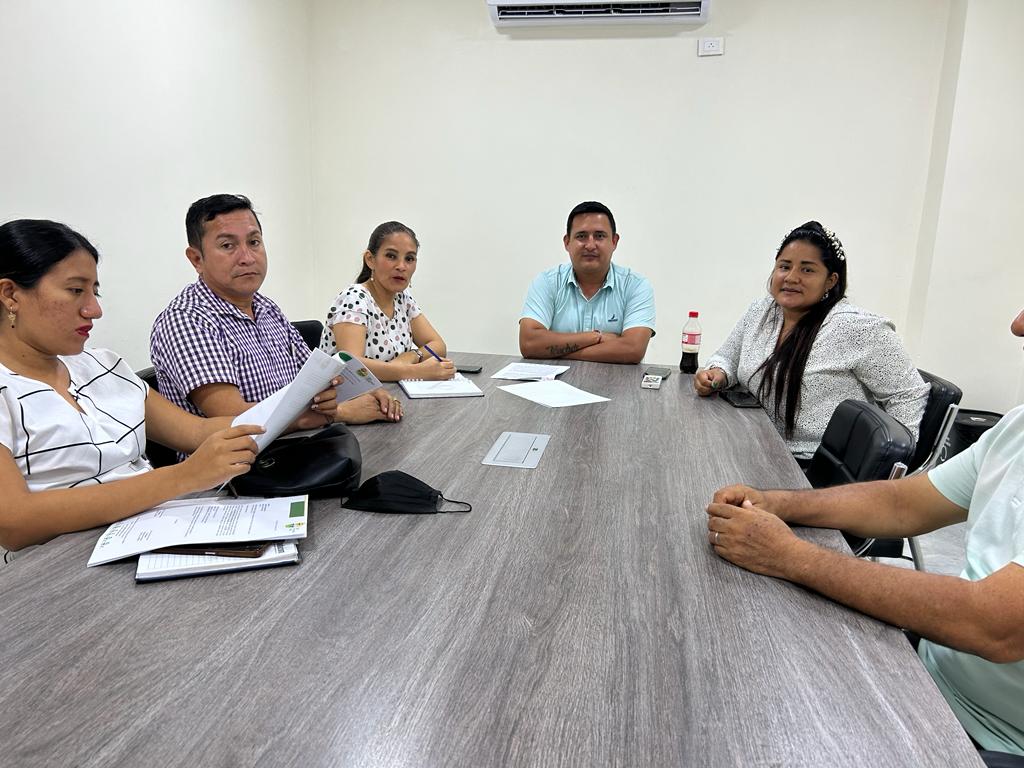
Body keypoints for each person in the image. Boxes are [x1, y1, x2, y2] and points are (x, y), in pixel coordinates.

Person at [706, 304, 1024, 761]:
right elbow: (903, 504)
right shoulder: (1017, 427)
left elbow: (992, 624)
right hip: (934, 676)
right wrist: (777, 502)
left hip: (996, 744)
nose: (1017, 325)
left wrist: (789, 555)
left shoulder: (860, 330)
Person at [0, 219, 268, 552]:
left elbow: (196, 432)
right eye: (75, 290)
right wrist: (183, 476)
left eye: (95, 292)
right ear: (10, 294)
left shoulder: (104, 365)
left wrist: (296, 413)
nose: (94, 310)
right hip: (63, 562)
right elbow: (14, 521)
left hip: (153, 530)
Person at [150, 194, 401, 427]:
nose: (247, 257)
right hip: (247, 459)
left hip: (301, 445)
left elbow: (316, 379)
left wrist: (360, 391)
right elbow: (235, 419)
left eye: (254, 242)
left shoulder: (266, 308)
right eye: (227, 246)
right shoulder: (186, 320)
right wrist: (339, 413)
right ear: (196, 259)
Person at [695, 221, 928, 461]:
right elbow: (728, 357)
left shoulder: (859, 328)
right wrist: (717, 373)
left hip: (815, 465)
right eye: (785, 266)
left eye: (807, 270)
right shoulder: (761, 311)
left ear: (831, 280)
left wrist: (889, 469)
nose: (791, 277)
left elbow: (907, 396)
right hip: (755, 443)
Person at [519, 201, 655, 364]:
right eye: (581, 236)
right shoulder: (547, 282)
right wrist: (595, 337)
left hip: (616, 380)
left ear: (614, 241)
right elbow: (529, 343)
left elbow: (633, 350)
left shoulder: (636, 286)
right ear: (567, 242)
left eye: (599, 236)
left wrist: (557, 351)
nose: (590, 245)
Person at [319, 221, 454, 382]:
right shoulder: (354, 299)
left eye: (409, 258)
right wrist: (416, 371)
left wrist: (411, 356)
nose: (401, 266)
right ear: (370, 259)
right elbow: (351, 366)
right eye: (391, 256)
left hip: (388, 390)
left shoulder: (403, 298)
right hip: (345, 395)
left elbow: (438, 345)